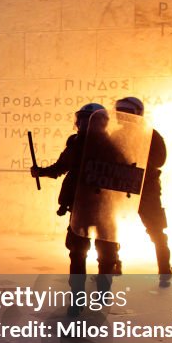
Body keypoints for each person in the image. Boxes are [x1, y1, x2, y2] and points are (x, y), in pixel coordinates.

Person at [31, 103, 122, 296]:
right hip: (82, 206)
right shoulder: (78, 143)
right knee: (80, 252)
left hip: (103, 206)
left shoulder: (110, 146)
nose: (81, 123)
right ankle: (80, 294)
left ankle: (100, 292)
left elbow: (123, 175)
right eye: (80, 119)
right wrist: (42, 172)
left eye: (86, 119)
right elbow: (61, 167)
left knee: (102, 252)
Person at [115, 97, 172, 287]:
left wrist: (138, 161)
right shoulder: (116, 135)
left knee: (156, 230)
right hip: (121, 187)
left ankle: (164, 269)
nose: (122, 118)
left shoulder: (150, 135)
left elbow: (159, 159)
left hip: (146, 189)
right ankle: (111, 264)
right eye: (120, 114)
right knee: (110, 229)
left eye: (126, 114)